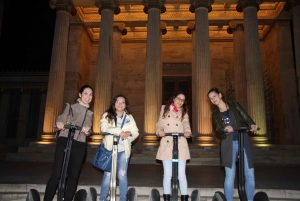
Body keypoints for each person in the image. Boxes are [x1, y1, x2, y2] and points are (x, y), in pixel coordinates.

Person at [44, 84, 94, 201]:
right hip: (65, 140)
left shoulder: (89, 113)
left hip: (79, 143)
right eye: (85, 93)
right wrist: (60, 123)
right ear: (80, 94)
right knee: (57, 174)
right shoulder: (70, 106)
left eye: (91, 94)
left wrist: (87, 128)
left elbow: (88, 124)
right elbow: (62, 117)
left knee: (73, 176)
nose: (88, 96)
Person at [207, 88, 258, 201]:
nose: (213, 99)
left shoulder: (234, 105)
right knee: (230, 176)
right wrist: (225, 128)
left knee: (249, 173)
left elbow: (245, 117)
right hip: (228, 144)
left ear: (220, 95)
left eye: (214, 96)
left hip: (242, 140)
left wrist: (252, 124)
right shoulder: (215, 114)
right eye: (211, 99)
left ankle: (249, 199)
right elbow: (218, 128)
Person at [99, 94, 139, 201]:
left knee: (122, 175)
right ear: (114, 103)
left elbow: (136, 132)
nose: (120, 104)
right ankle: (103, 198)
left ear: (126, 105)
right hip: (109, 149)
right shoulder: (107, 115)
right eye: (118, 102)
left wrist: (129, 133)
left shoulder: (129, 117)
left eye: (123, 102)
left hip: (123, 150)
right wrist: (120, 131)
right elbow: (104, 128)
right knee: (108, 175)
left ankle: (123, 198)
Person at [156, 91, 191, 201]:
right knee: (167, 175)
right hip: (167, 142)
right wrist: (160, 130)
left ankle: (184, 197)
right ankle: (167, 197)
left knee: (181, 174)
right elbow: (160, 122)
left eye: (183, 100)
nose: (180, 101)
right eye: (179, 98)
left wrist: (187, 131)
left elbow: (186, 122)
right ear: (174, 98)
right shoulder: (165, 108)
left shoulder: (184, 111)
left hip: (180, 142)